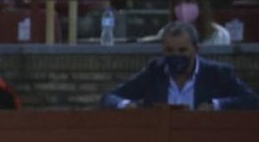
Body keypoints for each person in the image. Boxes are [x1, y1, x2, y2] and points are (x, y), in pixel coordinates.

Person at [100, 21, 258, 111]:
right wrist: (127, 105)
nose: (176, 55)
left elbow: (252, 100)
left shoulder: (217, 73)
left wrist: (215, 106)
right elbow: (108, 98)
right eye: (169, 50)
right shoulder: (155, 71)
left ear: (196, 49)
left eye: (182, 50)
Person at [140, 0, 232, 46]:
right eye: (178, 2)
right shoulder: (164, 33)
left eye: (188, 0)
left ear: (200, 4)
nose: (183, 6)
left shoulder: (220, 34)